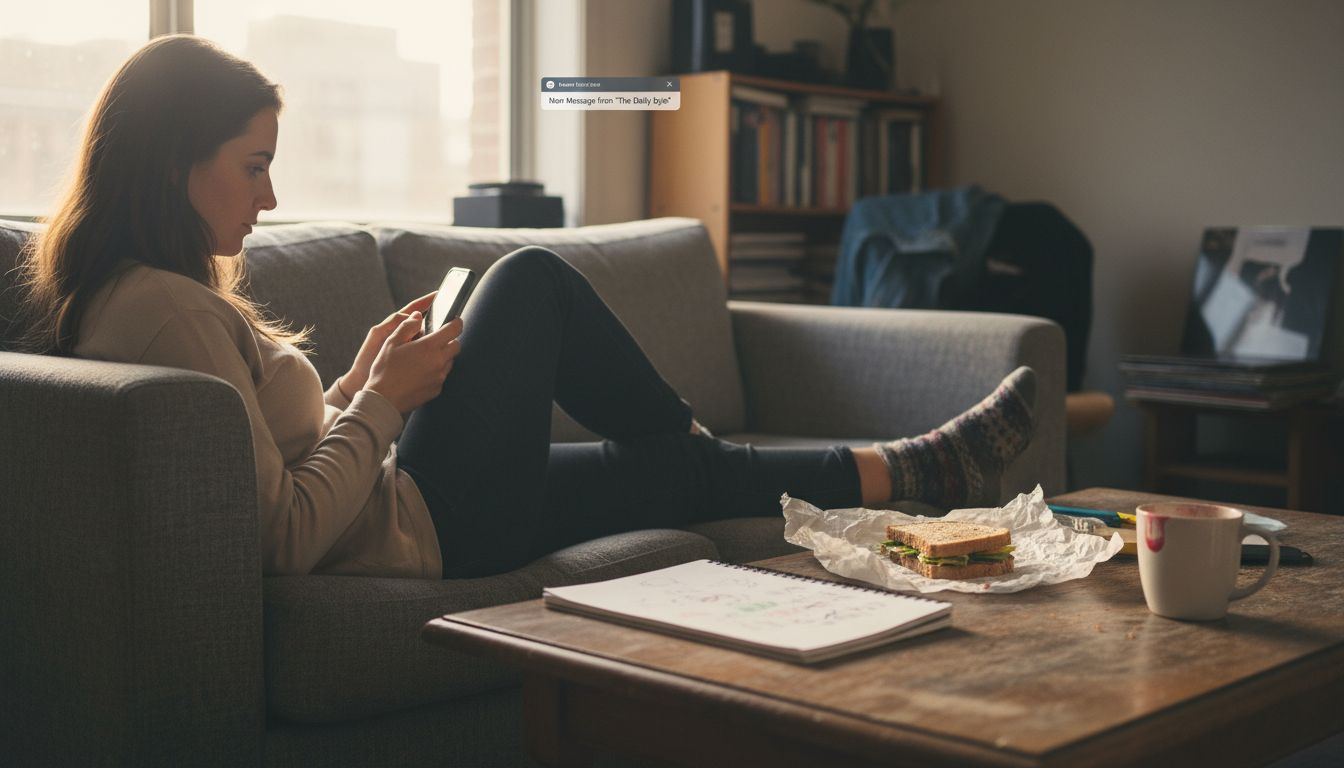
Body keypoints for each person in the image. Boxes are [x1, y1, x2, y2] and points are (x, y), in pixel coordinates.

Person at [17, 36, 1037, 580]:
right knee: (530, 281)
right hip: (424, 528)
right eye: (252, 166)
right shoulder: (165, 314)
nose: (270, 197)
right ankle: (684, 435)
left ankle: (907, 469)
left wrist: (357, 388)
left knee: (662, 478)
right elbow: (280, 536)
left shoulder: (148, 298)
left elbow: (259, 461)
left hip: (415, 505)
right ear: (170, 161)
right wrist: (378, 408)